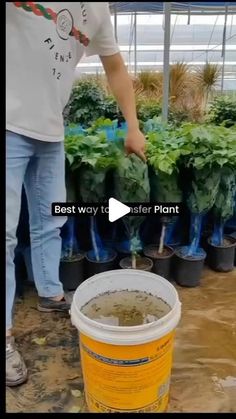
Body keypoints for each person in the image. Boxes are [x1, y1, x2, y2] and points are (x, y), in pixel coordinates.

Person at [6, 2, 146, 387]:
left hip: (52, 132)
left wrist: (133, 125)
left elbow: (115, 67)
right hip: (7, 123)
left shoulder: (98, 10)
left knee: (50, 221)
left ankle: (50, 293)